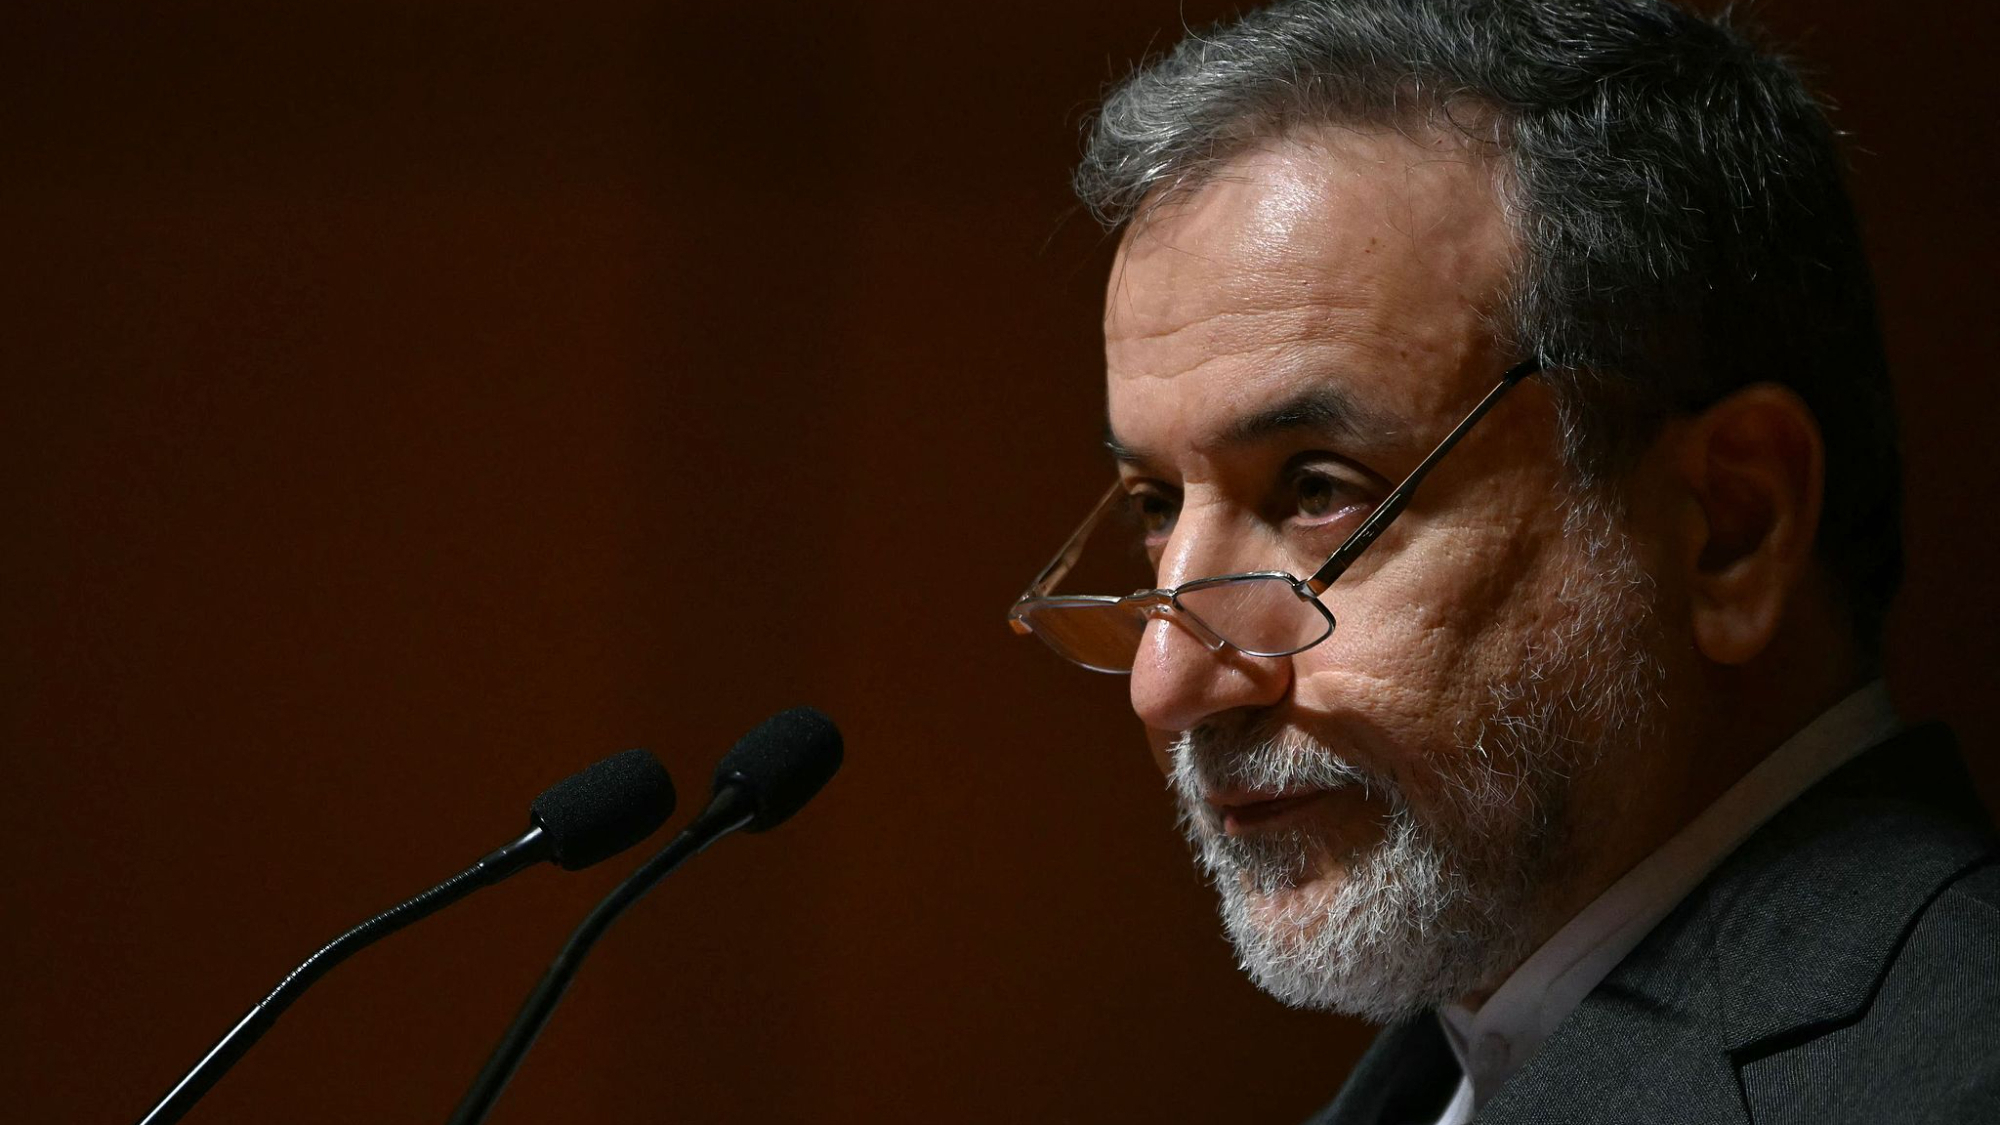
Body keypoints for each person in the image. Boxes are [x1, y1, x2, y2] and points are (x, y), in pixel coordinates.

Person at [1006, 1, 2000, 1121]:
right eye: (1153, 504)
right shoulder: (1460, 1059)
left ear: (1729, 526)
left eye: (1318, 490)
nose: (1167, 681)